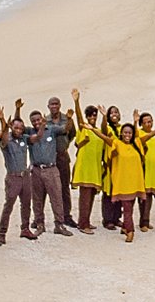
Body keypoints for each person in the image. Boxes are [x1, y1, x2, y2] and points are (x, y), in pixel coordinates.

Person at [26, 108, 71, 238]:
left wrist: (69, 118)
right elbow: (17, 126)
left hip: (51, 169)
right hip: (36, 170)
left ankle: (59, 224)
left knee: (56, 197)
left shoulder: (51, 129)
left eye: (38, 119)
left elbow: (65, 129)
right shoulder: (29, 133)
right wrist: (17, 110)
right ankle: (40, 224)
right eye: (33, 121)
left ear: (43, 119)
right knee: (37, 199)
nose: (36, 122)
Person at [0, 103, 35, 244]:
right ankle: (2, 232)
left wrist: (18, 110)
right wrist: (3, 120)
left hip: (25, 177)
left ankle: (25, 228)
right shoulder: (6, 141)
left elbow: (18, 121)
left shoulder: (24, 139)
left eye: (21, 128)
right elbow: (5, 135)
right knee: (9, 205)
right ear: (11, 127)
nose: (19, 130)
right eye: (16, 127)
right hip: (13, 177)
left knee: (26, 204)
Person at [69, 93, 106, 233]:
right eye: (90, 115)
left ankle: (87, 221)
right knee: (84, 197)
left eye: (94, 115)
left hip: (95, 168)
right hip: (85, 168)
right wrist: (77, 102)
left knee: (91, 196)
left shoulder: (97, 131)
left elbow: (104, 130)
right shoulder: (84, 128)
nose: (92, 118)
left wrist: (104, 116)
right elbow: (79, 119)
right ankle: (82, 224)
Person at [43, 94, 77, 229]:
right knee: (45, 188)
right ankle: (39, 219)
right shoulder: (45, 120)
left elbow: (72, 133)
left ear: (60, 105)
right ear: (48, 106)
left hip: (62, 157)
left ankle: (66, 216)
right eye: (52, 104)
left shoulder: (67, 119)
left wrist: (65, 143)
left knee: (64, 187)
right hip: (49, 157)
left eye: (56, 104)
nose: (54, 106)